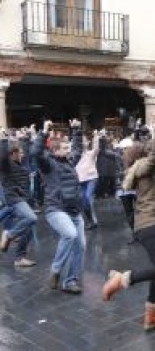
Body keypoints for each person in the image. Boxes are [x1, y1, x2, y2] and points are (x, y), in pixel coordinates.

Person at [102, 110, 155, 331]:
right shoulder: (145, 165)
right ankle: (122, 279)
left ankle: (152, 314)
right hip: (150, 223)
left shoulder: (148, 167)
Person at [32, 119, 86, 294]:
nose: (68, 150)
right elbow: (36, 153)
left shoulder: (69, 162)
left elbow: (78, 149)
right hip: (56, 209)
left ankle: (70, 281)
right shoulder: (48, 164)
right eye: (64, 148)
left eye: (67, 147)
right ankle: (56, 270)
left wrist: (76, 130)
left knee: (81, 246)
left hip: (74, 211)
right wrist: (44, 132)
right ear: (55, 150)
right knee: (70, 234)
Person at [0, 126, 38, 267]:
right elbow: (3, 155)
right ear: (13, 154)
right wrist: (3, 140)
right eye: (19, 152)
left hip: (22, 199)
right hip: (13, 198)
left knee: (28, 226)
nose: (22, 154)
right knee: (31, 218)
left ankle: (19, 258)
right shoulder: (6, 165)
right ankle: (8, 235)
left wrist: (27, 137)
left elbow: (28, 151)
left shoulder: (21, 165)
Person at [75, 129, 101, 230]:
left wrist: (96, 137)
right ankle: (90, 220)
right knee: (84, 200)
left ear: (88, 142)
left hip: (91, 178)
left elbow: (97, 148)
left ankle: (93, 220)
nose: (82, 142)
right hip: (81, 180)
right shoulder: (76, 154)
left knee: (88, 198)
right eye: (81, 140)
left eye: (84, 140)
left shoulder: (91, 153)